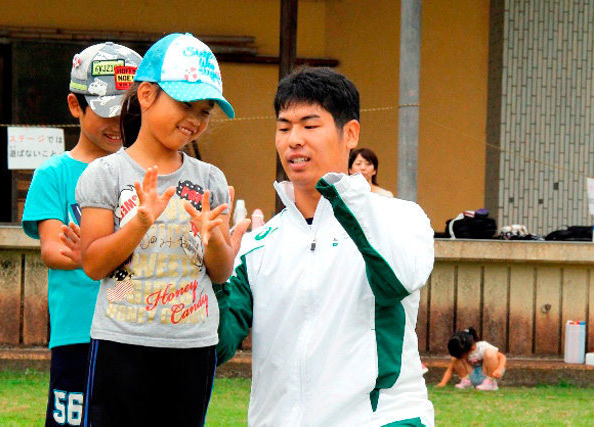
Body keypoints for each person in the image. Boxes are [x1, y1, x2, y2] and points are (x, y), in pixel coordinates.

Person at [215, 67, 435, 427]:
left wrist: (341, 190)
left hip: (383, 419)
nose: (293, 140)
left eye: (309, 125)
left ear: (350, 134)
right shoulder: (256, 245)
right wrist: (210, 273)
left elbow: (396, 279)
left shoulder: (401, 218)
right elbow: (218, 346)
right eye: (284, 127)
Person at [75, 33, 235, 426]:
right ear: (146, 95)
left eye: (205, 111)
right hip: (122, 341)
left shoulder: (209, 179)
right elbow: (95, 265)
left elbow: (222, 271)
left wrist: (213, 238)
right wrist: (140, 222)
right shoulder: (106, 175)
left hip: (193, 345)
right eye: (184, 104)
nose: (195, 120)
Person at [21, 42, 142, 426]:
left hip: (136, 327)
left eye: (129, 112)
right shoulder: (53, 174)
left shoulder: (142, 173)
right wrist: (93, 254)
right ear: (76, 105)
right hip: (79, 331)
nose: (117, 124)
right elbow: (52, 248)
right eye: (107, 112)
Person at [436, 327, 506, 391]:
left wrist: (499, 369)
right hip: (472, 376)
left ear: (471, 348)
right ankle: (466, 382)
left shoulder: (483, 346)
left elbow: (502, 357)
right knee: (454, 358)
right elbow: (451, 368)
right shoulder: (461, 353)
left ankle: (490, 383)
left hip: (487, 374)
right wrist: (443, 383)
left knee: (490, 353)